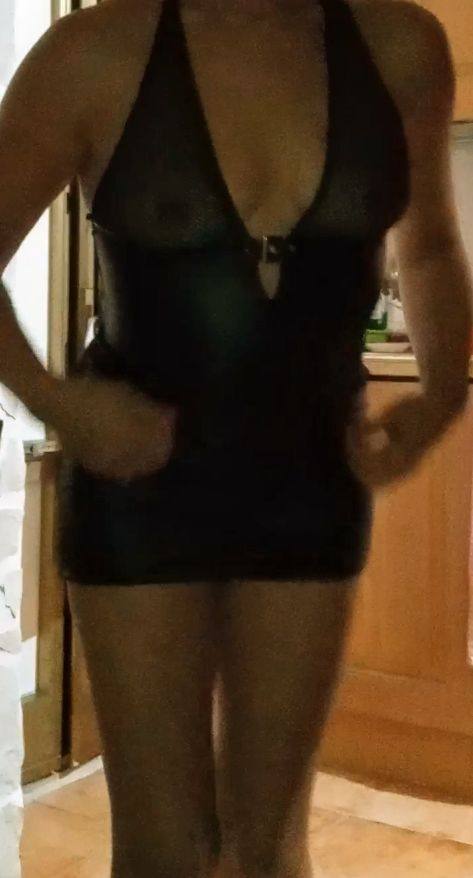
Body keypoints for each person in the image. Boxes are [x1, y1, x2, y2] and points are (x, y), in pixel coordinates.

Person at [0, 0, 472, 876]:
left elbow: (431, 246)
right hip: (142, 485)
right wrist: (59, 403)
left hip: (310, 482)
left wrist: (441, 392)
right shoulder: (92, 54)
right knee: (164, 852)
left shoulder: (400, 47)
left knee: (268, 850)